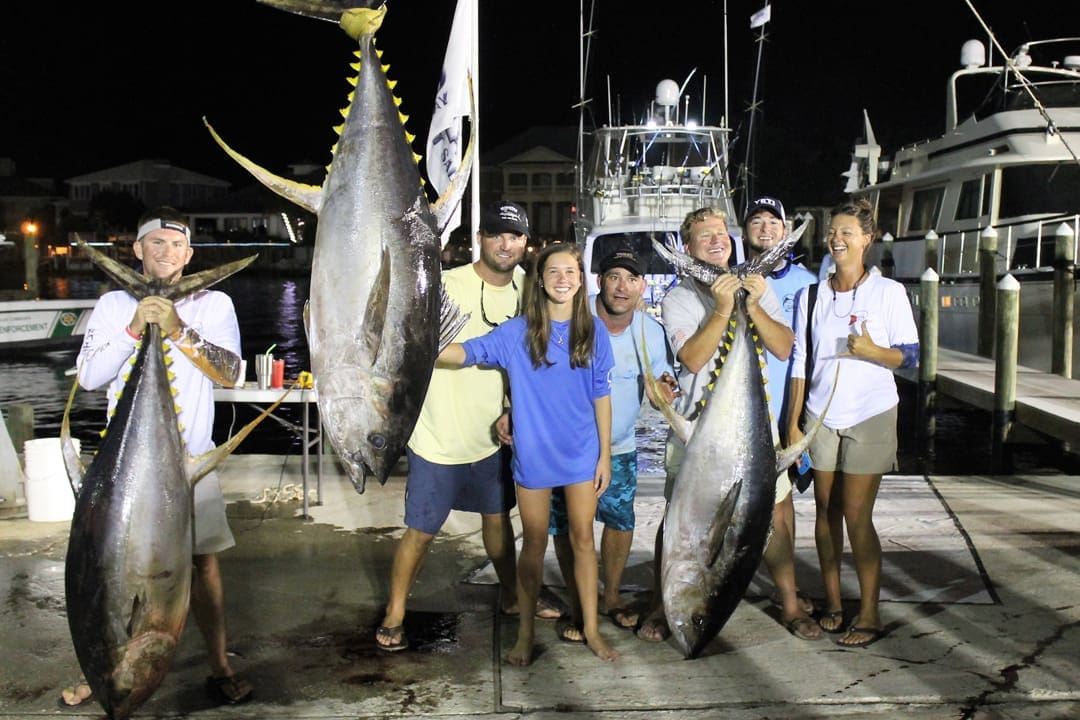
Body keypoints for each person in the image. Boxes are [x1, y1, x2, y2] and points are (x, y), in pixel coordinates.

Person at [68, 206, 251, 705]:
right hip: (123, 465)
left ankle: (218, 663)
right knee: (104, 564)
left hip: (189, 461)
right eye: (156, 244)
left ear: (189, 255)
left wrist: (176, 327)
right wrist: (133, 328)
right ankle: (100, 662)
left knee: (204, 564)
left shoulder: (215, 304)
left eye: (176, 246)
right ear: (138, 251)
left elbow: (230, 374)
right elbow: (88, 378)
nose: (167, 253)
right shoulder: (109, 304)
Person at [375, 201, 563, 653]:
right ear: (480, 237)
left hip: (494, 434)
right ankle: (395, 610)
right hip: (437, 432)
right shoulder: (445, 284)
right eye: (497, 234)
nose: (506, 243)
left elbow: (536, 361)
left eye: (515, 236)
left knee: (497, 520)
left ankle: (512, 595)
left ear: (525, 243)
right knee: (421, 529)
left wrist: (514, 408)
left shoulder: (530, 290)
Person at [439, 242, 618, 665]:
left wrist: (604, 456)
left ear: (582, 279)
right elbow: (465, 353)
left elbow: (602, 397)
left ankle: (591, 629)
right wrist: (416, 347)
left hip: (580, 454)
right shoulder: (515, 332)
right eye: (553, 271)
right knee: (534, 542)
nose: (562, 279)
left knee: (582, 539)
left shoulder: (594, 331)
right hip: (533, 457)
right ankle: (524, 635)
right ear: (539, 279)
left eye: (570, 272)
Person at [638, 206, 800, 643]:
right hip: (698, 431)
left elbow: (784, 347)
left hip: (753, 431)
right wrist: (724, 306)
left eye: (721, 233)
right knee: (677, 520)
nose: (716, 240)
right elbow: (691, 357)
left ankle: (791, 602)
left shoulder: (758, 289)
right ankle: (660, 601)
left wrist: (751, 301)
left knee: (777, 518)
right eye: (703, 236)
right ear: (687, 249)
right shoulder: (679, 297)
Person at [786, 198, 919, 648]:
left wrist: (872, 353)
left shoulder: (889, 293)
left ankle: (870, 612)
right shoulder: (811, 295)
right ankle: (834, 602)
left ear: (867, 238)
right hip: (821, 416)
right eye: (832, 232)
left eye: (847, 232)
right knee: (825, 512)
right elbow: (800, 364)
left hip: (871, 413)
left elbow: (911, 358)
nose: (837, 239)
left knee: (857, 514)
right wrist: (793, 424)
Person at [548, 249, 678, 639]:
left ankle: (612, 596)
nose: (622, 287)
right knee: (568, 525)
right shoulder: (570, 315)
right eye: (614, 277)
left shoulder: (650, 331)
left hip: (619, 447)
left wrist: (664, 392)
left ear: (641, 287)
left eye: (631, 279)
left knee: (620, 521)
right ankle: (578, 599)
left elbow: (659, 388)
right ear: (599, 281)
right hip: (566, 449)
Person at [743, 196, 821, 633]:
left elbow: (810, 352)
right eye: (757, 221)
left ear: (787, 229)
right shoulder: (733, 280)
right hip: (743, 409)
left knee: (782, 505)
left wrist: (798, 416)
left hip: (786, 410)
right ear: (746, 231)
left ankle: (782, 589)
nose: (766, 228)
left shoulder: (808, 283)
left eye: (775, 221)